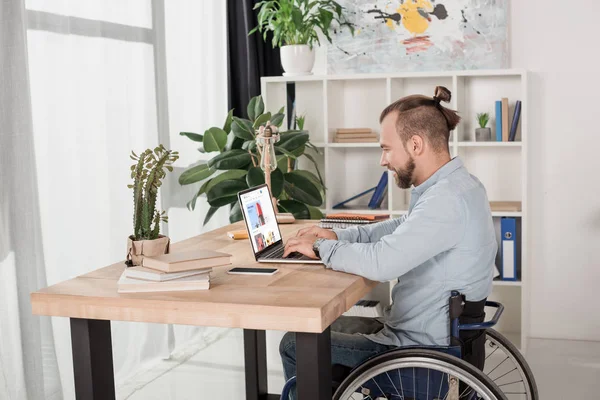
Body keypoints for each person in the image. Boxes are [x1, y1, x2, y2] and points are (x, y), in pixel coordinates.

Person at [280, 86, 497, 393]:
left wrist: (319, 247)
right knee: (313, 331)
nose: (383, 161)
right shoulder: (459, 187)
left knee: (294, 343)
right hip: (440, 340)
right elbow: (400, 228)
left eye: (386, 148)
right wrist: (338, 235)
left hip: (419, 356)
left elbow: (382, 263)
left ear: (416, 144)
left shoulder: (445, 200)